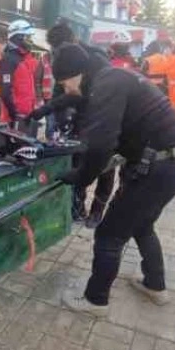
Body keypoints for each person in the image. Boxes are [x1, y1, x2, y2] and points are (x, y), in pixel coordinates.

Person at [52, 43, 175, 316]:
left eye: (64, 82)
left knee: (109, 234)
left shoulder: (107, 83)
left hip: (156, 168)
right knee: (143, 225)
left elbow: (101, 145)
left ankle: (95, 301)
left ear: (77, 73)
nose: (66, 89)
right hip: (174, 162)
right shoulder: (114, 76)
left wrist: (81, 178)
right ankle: (155, 286)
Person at [44, 21, 115, 228]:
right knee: (78, 162)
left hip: (103, 119)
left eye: (62, 48)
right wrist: (58, 117)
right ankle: (78, 206)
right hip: (79, 121)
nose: (59, 53)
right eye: (56, 50)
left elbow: (110, 96)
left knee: (106, 166)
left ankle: (97, 210)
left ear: (74, 41)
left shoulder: (97, 59)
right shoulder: (60, 58)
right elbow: (59, 90)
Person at [0, 19, 40, 133]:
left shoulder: (25, 58)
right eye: (28, 37)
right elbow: (5, 92)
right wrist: (15, 115)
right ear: (18, 37)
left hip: (27, 114)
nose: (31, 40)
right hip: (16, 118)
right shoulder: (8, 60)